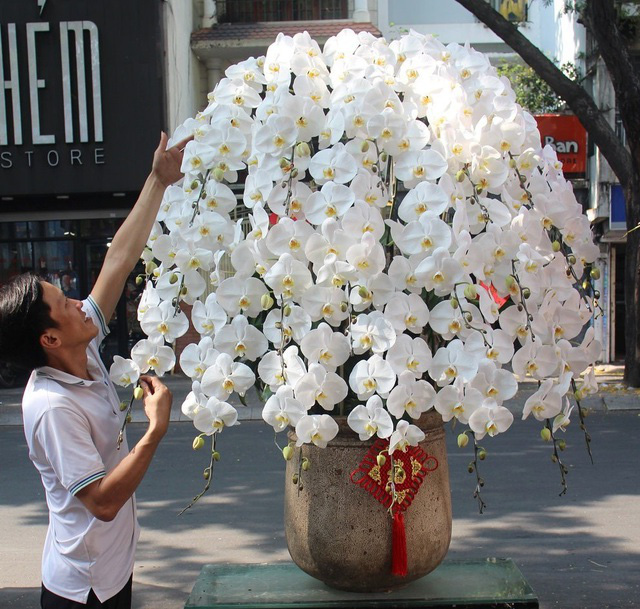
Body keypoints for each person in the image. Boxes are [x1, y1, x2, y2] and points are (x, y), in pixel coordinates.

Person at [0, 132, 189, 609]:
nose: (80, 303)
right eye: (65, 304)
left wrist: (158, 179)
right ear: (49, 339)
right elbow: (102, 503)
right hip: (81, 590)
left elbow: (119, 261)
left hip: (111, 571)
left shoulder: (82, 349)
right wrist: (155, 430)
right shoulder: (51, 406)